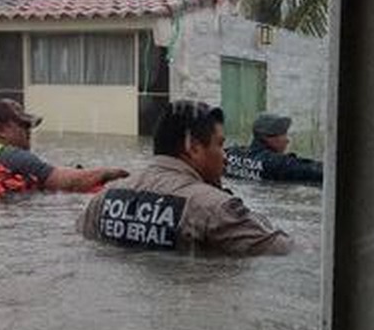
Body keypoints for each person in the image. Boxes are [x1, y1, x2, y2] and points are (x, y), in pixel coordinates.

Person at [78, 100, 293, 256]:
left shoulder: (103, 199)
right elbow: (285, 252)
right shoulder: (216, 208)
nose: (225, 157)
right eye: (219, 145)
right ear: (193, 147)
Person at [0, 99, 129, 191]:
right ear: (2, 130)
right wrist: (109, 172)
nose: (29, 132)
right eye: (24, 125)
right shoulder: (12, 156)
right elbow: (67, 182)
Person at [224, 113, 323, 183]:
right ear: (268, 138)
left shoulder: (229, 154)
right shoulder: (277, 164)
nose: (287, 140)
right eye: (283, 135)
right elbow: (317, 171)